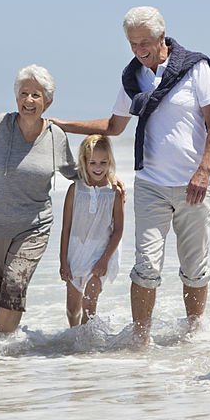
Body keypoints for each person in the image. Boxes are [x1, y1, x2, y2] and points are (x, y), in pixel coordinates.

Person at [51, 6, 210, 346]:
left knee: (194, 266)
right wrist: (62, 125)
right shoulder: (133, 78)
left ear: (162, 36)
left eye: (145, 41)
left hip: (194, 185)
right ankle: (140, 341)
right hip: (150, 185)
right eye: (132, 43)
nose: (139, 49)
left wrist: (203, 170)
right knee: (146, 264)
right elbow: (114, 126)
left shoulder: (195, 68)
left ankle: (194, 332)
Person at [0, 65, 77, 334]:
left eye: (36, 95)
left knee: (14, 286)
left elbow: (76, 174)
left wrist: (108, 179)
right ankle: (1, 360)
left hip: (33, 227)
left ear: (48, 101)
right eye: (24, 93)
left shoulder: (56, 137)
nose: (28, 101)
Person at [59, 135, 125, 327]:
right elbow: (66, 228)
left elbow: (119, 230)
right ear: (84, 162)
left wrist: (104, 260)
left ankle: (87, 351)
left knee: (89, 307)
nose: (98, 167)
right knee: (72, 309)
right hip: (76, 254)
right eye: (93, 162)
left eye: (103, 162)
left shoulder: (115, 192)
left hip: (101, 254)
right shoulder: (75, 190)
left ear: (109, 162)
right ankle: (74, 343)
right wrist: (63, 260)